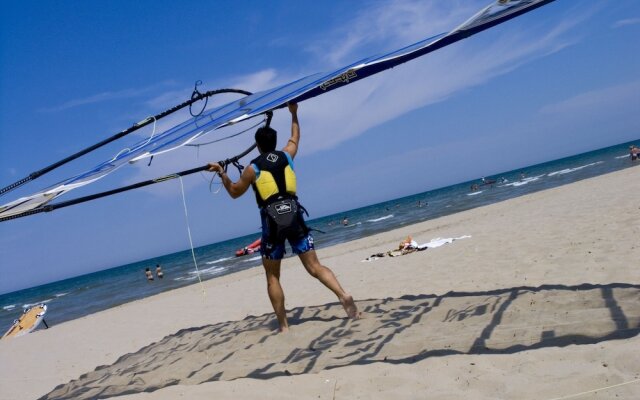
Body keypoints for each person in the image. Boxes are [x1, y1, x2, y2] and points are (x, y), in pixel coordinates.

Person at [207, 103, 359, 333]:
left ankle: (284, 326)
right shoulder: (288, 155)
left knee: (272, 276)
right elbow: (295, 136)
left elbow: (235, 192)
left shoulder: (252, 168)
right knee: (315, 267)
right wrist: (294, 112)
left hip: (272, 224)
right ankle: (343, 295)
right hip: (294, 215)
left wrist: (221, 172)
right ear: (275, 143)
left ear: (257, 146)